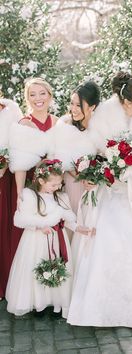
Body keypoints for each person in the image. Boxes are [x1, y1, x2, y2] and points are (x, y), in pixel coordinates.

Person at [67, 71, 132, 329]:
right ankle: (102, 304)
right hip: (111, 184)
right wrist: (93, 172)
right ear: (127, 101)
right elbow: (92, 149)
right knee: (108, 232)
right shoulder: (103, 117)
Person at [6, 160, 76, 318]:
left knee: (56, 266)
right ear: (41, 181)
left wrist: (79, 228)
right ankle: (39, 303)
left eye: (59, 184)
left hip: (57, 239)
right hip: (35, 241)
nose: (57, 188)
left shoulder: (61, 196)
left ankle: (56, 301)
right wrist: (39, 226)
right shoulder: (29, 195)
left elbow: (68, 217)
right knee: (37, 266)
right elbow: (19, 220)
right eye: (53, 185)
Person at [9, 77, 58, 261]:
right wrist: (20, 194)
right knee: (33, 233)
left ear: (50, 96)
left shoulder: (57, 121)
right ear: (27, 99)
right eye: (32, 94)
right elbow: (20, 164)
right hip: (31, 185)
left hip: (53, 186)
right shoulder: (24, 123)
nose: (38, 98)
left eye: (42, 93)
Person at [51, 81, 100, 215]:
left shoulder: (101, 126)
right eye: (72, 103)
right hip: (72, 181)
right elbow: (62, 159)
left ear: (92, 107)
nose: (73, 109)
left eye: (79, 105)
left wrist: (96, 177)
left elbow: (105, 156)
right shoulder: (65, 125)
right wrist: (81, 177)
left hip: (97, 185)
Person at [0, 97, 23, 300]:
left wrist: (4, 165)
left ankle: (9, 282)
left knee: (6, 227)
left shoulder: (11, 109)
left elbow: (19, 144)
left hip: (7, 179)